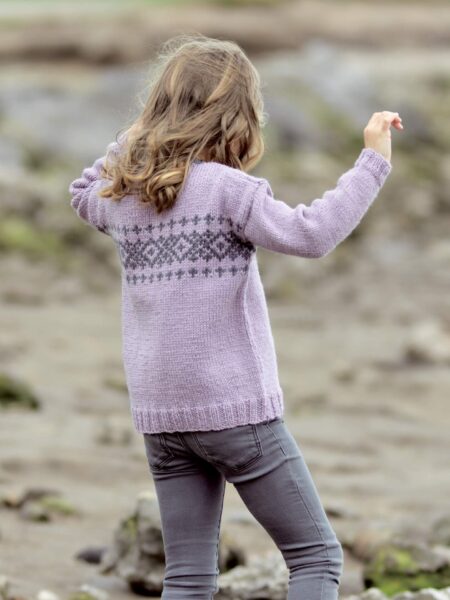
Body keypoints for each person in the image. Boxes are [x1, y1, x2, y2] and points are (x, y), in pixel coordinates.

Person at [68, 33, 403, 600]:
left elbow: (81, 190)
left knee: (188, 575)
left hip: (162, 415)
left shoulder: (123, 193)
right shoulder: (227, 190)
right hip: (234, 411)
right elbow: (312, 234)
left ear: (158, 109)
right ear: (238, 117)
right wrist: (373, 162)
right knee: (317, 557)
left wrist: (137, 141)